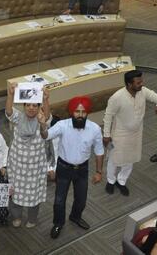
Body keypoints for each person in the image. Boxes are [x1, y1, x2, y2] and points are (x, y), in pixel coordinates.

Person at [103, 70, 157, 196]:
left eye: (141, 81)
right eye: (138, 82)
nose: (142, 84)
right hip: (119, 134)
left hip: (136, 133)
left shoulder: (143, 91)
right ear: (129, 84)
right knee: (114, 159)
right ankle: (111, 181)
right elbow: (108, 116)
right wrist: (106, 134)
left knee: (130, 159)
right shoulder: (117, 97)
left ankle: (121, 181)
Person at [38, 96, 104, 239]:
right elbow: (45, 136)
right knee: (59, 201)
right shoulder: (63, 125)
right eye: (77, 112)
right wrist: (43, 125)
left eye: (83, 112)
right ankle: (58, 223)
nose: (80, 115)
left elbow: (99, 151)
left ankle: (75, 217)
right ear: (71, 112)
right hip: (63, 168)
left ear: (87, 113)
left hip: (82, 169)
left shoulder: (95, 129)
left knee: (81, 199)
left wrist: (99, 172)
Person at [5, 82, 51, 228]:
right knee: (15, 192)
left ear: (38, 107)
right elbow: (8, 112)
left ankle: (32, 218)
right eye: (28, 105)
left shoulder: (41, 117)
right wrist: (11, 94)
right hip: (17, 164)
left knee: (34, 194)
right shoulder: (18, 117)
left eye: (35, 105)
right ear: (23, 106)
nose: (31, 108)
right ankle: (16, 216)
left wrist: (46, 100)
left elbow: (46, 128)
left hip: (35, 166)